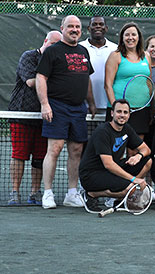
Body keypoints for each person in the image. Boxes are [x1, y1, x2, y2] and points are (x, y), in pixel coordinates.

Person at [36, 15, 97, 209]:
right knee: (54, 149)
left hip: (78, 109)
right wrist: (45, 104)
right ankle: (48, 193)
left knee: (76, 151)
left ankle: (71, 193)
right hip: (57, 107)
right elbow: (41, 77)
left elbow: (86, 79)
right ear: (62, 28)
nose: (74, 29)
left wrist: (91, 102)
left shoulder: (84, 51)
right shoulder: (52, 51)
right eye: (70, 26)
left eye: (77, 27)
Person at [8, 30, 62, 205]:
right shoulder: (29, 57)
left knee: (40, 157)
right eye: (52, 44)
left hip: (44, 117)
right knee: (19, 155)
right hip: (21, 114)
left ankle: (35, 192)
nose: (55, 48)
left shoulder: (56, 61)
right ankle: (14, 192)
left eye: (58, 46)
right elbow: (32, 82)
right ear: (45, 41)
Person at [78, 99, 152, 213]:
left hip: (110, 171)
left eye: (125, 112)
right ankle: (90, 194)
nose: (122, 115)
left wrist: (138, 156)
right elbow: (108, 164)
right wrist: (134, 180)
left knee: (147, 161)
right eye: (119, 112)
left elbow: (146, 149)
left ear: (129, 115)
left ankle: (118, 197)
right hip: (91, 175)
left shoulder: (127, 129)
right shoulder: (102, 132)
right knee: (129, 189)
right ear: (112, 113)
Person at [104, 22, 152, 138]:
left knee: (136, 150)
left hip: (142, 110)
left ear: (139, 37)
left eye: (133, 35)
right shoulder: (115, 56)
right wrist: (116, 108)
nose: (130, 38)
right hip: (121, 111)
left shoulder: (146, 56)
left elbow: (149, 82)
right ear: (122, 38)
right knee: (117, 149)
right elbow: (108, 85)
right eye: (127, 35)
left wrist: (150, 105)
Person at [79, 16, 118, 113]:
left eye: (101, 24)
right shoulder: (80, 47)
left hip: (109, 104)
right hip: (84, 105)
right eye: (94, 24)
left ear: (106, 28)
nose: (98, 27)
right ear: (89, 28)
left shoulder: (115, 49)